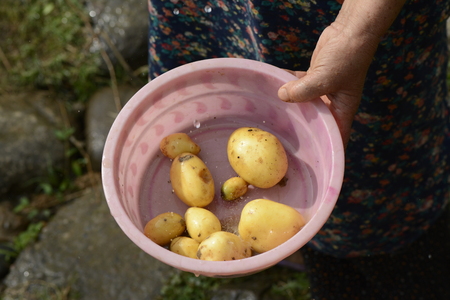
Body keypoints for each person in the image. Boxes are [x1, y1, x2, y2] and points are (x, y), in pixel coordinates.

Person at [147, 0, 450, 298]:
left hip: (356, 22)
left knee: (379, 192)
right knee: (316, 241)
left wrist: (352, 32)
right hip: (221, 16)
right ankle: (322, 263)